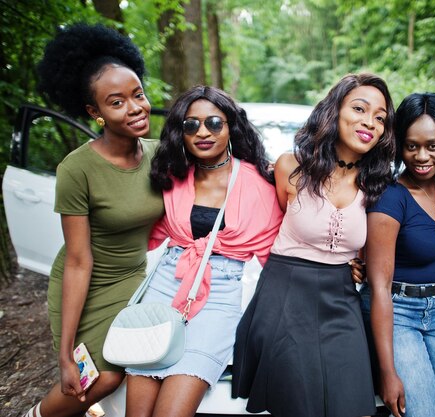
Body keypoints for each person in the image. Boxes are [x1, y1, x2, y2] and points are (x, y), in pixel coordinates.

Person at [231, 73, 396, 417]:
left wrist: (357, 261)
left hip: (341, 298)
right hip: (285, 293)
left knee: (352, 403)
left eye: (380, 118)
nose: (370, 122)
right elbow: (272, 224)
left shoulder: (377, 185)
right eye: (360, 109)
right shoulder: (291, 167)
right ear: (334, 112)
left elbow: (370, 248)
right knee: (299, 403)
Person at [23, 23, 164, 417]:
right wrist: (65, 351)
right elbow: (78, 260)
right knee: (95, 378)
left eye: (138, 95)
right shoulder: (77, 168)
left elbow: (217, 170)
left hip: (134, 283)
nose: (135, 108)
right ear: (94, 112)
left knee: (133, 367)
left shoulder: (160, 155)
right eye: (116, 102)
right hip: (85, 285)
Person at [124, 86, 284, 417]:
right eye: (190, 125)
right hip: (166, 287)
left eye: (214, 122)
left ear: (231, 127)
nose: (203, 132)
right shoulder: (172, 175)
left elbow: (279, 256)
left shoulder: (259, 183)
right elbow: (143, 236)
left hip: (219, 298)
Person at [360, 92, 435, 417]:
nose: (421, 156)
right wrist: (388, 372)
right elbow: (378, 286)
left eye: (432, 146)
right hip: (399, 313)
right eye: (411, 146)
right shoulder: (392, 199)